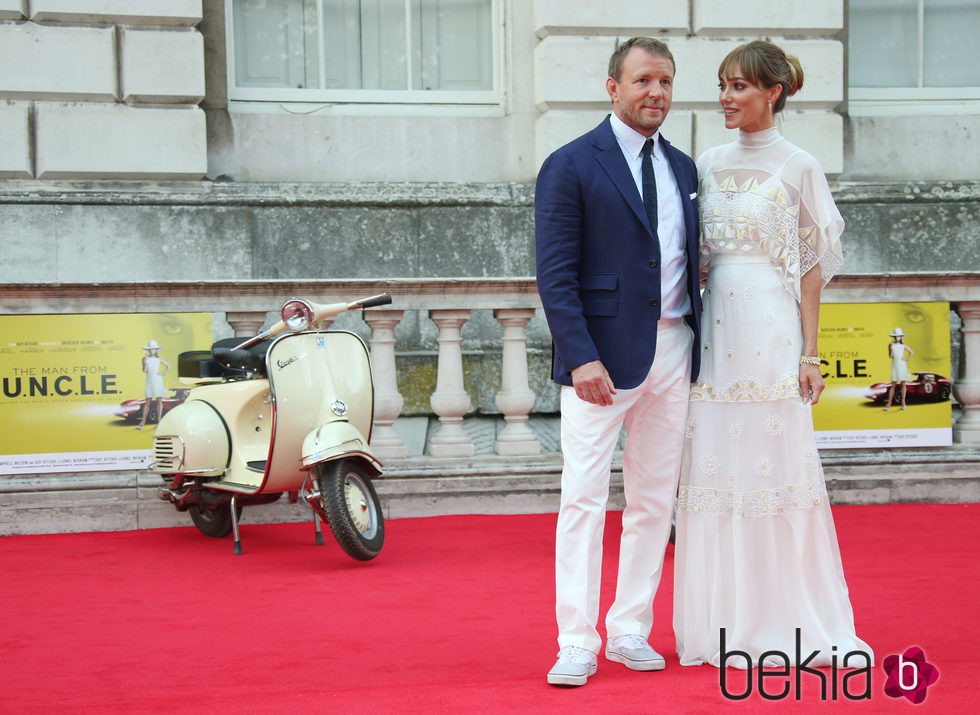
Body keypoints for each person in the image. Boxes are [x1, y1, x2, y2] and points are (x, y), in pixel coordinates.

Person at [672, 40, 872, 668]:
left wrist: (811, 355)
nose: (727, 98)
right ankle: (724, 621)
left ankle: (787, 617)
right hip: (715, 333)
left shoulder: (800, 165)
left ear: (774, 91)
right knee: (716, 472)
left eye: (740, 87)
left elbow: (811, 270)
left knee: (774, 470)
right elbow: (691, 256)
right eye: (723, 86)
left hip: (771, 332)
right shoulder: (705, 162)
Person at [535, 36, 702, 687]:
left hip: (674, 351)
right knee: (582, 497)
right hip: (601, 363)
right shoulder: (572, 163)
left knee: (654, 501)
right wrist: (580, 356)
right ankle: (576, 637)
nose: (655, 92)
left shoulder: (684, 168)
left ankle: (630, 627)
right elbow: (555, 272)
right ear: (613, 86)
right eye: (642, 80)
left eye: (664, 81)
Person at [137, 339, 170, 430]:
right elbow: (144, 371)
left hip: (158, 380)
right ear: (148, 350)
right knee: (148, 400)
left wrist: (163, 373)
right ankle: (143, 421)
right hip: (150, 380)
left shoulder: (159, 359)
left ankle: (159, 421)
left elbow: (169, 366)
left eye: (154, 349)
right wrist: (146, 362)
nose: (152, 351)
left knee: (159, 400)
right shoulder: (145, 358)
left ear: (156, 350)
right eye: (151, 349)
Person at [885, 327, 914, 410]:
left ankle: (903, 403)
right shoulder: (891, 345)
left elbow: (912, 352)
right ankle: (889, 403)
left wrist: (906, 358)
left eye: (899, 336)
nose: (897, 337)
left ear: (901, 337)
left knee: (903, 385)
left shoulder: (903, 345)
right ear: (894, 337)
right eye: (896, 336)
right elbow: (890, 356)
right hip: (895, 366)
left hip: (902, 365)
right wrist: (891, 349)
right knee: (893, 385)